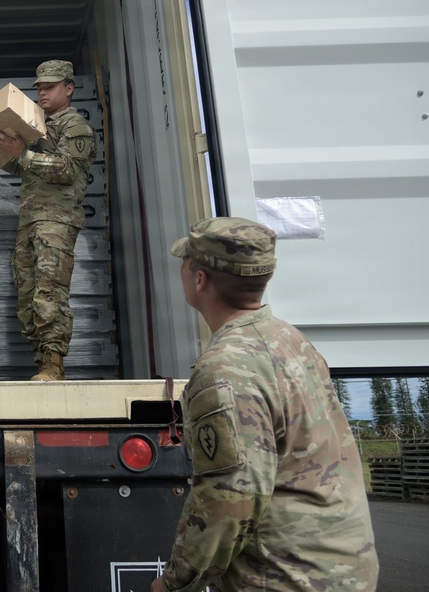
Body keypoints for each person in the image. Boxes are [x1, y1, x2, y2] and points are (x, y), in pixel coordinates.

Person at [152, 217, 378, 592]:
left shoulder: (225, 368)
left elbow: (230, 500)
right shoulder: (290, 339)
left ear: (199, 279)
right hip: (342, 569)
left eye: (186, 261)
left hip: (286, 578)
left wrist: (176, 583)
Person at [0, 60, 97, 381]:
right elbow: (25, 168)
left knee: (49, 292)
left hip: (56, 222)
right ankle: (42, 361)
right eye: (38, 87)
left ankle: (53, 364)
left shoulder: (74, 126)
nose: (42, 92)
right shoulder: (38, 128)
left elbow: (67, 170)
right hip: (31, 221)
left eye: (49, 86)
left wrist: (22, 153)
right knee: (27, 294)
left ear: (69, 88)